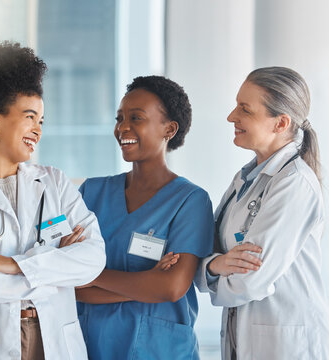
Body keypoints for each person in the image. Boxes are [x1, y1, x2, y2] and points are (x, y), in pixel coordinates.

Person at [0, 41, 106, 360]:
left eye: (41, 120)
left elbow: (93, 259)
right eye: (29, 117)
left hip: (54, 337)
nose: (37, 130)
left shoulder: (53, 182)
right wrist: (54, 271)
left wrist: (12, 265)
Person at [76, 75, 214, 359]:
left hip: (160, 350)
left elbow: (172, 286)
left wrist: (95, 277)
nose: (122, 127)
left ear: (169, 129)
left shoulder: (190, 201)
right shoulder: (92, 192)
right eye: (119, 118)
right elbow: (69, 284)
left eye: (136, 118)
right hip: (93, 346)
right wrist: (147, 283)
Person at [195, 66, 329, 359]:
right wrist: (215, 266)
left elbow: (250, 280)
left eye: (245, 109)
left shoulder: (295, 184)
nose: (232, 116)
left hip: (286, 344)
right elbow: (207, 251)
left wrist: (210, 269)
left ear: (280, 123)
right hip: (243, 338)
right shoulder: (245, 178)